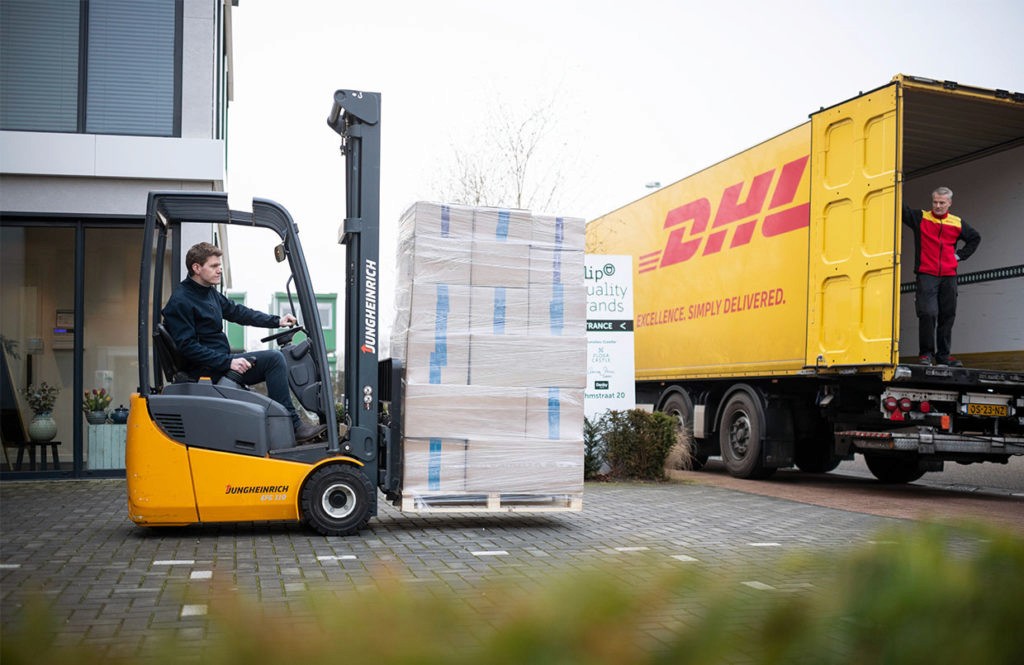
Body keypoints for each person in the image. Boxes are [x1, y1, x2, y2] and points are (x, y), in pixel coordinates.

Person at [162, 241, 327, 443]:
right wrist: (227, 362)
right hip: (208, 369)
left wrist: (276, 321)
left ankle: (287, 427)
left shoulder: (208, 292)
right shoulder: (181, 300)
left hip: (219, 362)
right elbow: (187, 347)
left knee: (273, 359)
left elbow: (238, 312)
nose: (219, 270)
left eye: (219, 265)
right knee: (274, 359)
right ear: (196, 268)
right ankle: (293, 426)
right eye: (214, 266)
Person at [902, 187, 981, 367]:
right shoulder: (921, 218)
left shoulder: (957, 223)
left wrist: (959, 255)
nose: (937, 206)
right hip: (926, 274)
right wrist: (893, 184)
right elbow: (901, 210)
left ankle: (943, 356)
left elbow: (975, 238)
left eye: (942, 203)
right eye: (935, 202)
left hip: (949, 276)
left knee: (947, 315)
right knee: (928, 313)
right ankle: (926, 354)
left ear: (949, 203)